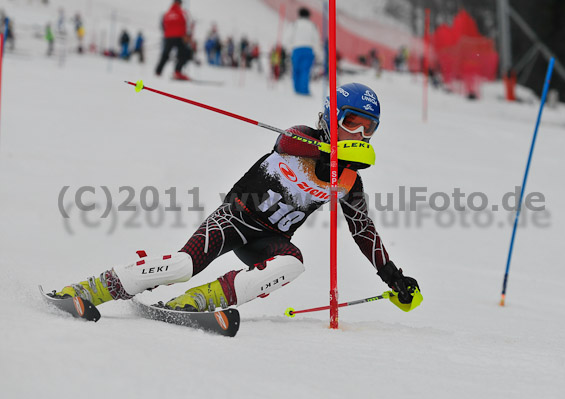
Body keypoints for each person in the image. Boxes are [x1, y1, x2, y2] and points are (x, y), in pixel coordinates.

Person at [49, 83, 421, 315]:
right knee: (182, 265)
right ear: (329, 117)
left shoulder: (350, 178)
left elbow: (362, 228)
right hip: (235, 218)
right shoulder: (303, 140)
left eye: (367, 127)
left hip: (267, 241)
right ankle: (90, 289)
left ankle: (196, 302)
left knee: (293, 264)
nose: (358, 132)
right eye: (351, 121)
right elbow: (285, 141)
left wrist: (392, 276)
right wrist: (323, 152)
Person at [155, 0, 192, 80]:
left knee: (165, 55)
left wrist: (166, 33)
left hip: (168, 37)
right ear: (179, 3)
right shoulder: (182, 12)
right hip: (179, 36)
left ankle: (158, 71)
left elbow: (163, 25)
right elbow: (187, 24)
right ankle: (177, 72)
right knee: (183, 54)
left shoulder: (167, 14)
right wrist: (187, 36)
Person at [288, 7, 321, 95]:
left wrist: (289, 49)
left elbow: (288, 37)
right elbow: (316, 39)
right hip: (308, 50)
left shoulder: (295, 24)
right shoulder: (312, 25)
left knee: (296, 70)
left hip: (296, 49)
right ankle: (304, 90)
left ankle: (296, 89)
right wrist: (317, 53)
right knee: (305, 71)